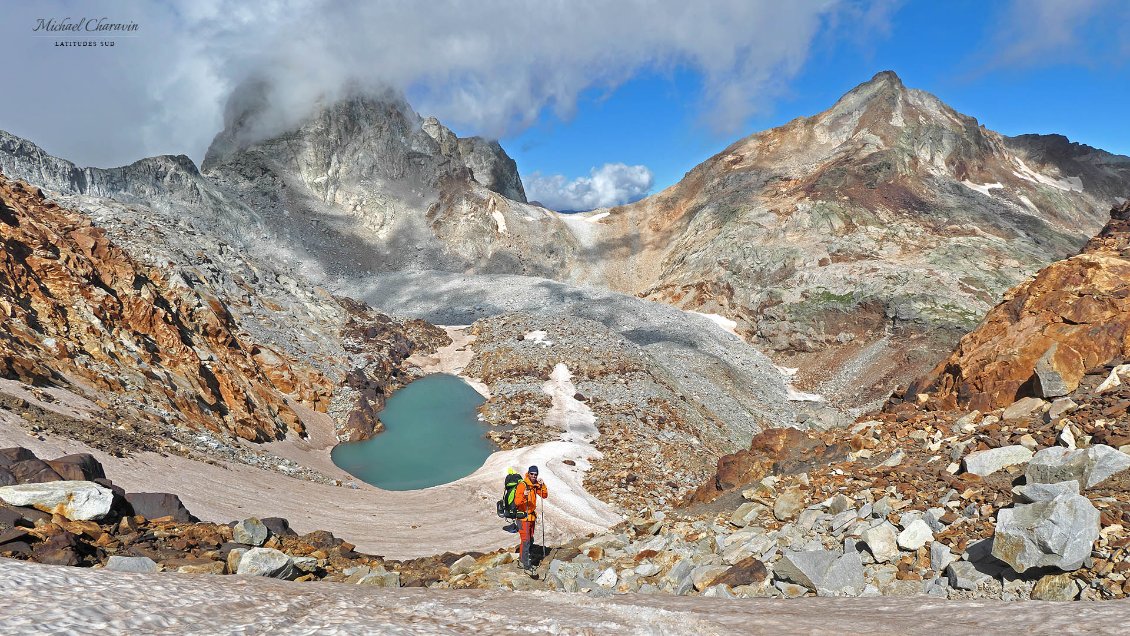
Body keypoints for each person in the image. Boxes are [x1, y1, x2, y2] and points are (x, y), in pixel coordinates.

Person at [513, 465, 548, 571]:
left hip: (531, 517)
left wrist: (542, 485)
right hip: (523, 517)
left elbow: (544, 495)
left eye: (535, 474)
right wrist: (524, 495)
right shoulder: (522, 485)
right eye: (532, 474)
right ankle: (525, 563)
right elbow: (517, 502)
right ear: (528, 473)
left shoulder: (534, 485)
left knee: (529, 539)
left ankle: (525, 558)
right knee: (526, 540)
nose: (533, 476)